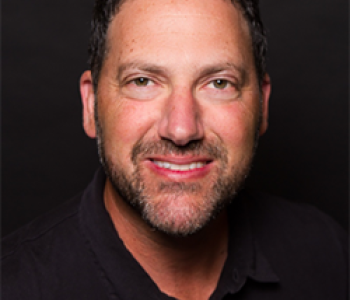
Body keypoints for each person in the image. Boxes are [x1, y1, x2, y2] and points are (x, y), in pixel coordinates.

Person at [1, 0, 349, 299]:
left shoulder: (327, 255)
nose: (181, 130)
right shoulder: (14, 286)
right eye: (142, 81)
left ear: (262, 105)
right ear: (91, 104)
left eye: (218, 83)